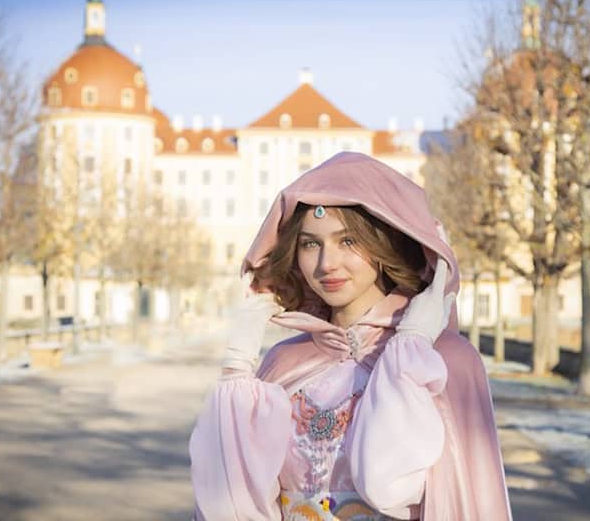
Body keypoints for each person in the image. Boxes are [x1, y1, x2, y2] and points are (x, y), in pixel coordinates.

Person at [189, 152, 511, 520]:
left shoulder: (445, 359)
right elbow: (232, 500)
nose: (327, 264)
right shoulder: (284, 362)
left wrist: (409, 347)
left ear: (385, 245)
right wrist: (236, 369)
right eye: (311, 244)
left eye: (348, 242)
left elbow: (405, 488)